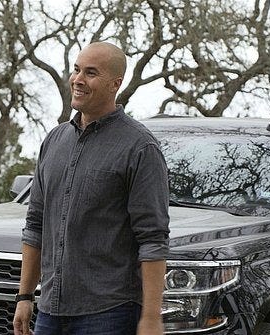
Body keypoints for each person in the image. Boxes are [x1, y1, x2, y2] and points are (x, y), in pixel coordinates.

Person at [13, 41, 170, 335]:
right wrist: (25, 296)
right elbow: (35, 225)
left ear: (115, 83)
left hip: (109, 314)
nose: (78, 80)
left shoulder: (140, 147)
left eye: (91, 73)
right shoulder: (54, 141)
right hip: (49, 310)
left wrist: (151, 317)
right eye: (76, 70)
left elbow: (152, 239)